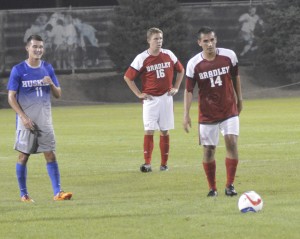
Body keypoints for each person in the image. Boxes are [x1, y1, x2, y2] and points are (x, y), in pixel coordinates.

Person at [7, 35, 72, 202]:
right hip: (26, 121)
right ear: (27, 48)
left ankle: (58, 193)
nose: (38, 50)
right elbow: (11, 97)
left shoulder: (47, 68)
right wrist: (23, 117)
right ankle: (24, 195)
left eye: (41, 47)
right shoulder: (19, 69)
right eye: (35, 46)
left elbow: (58, 94)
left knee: (50, 155)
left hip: (45, 121)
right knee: (23, 156)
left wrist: (50, 83)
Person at [183, 26, 243, 197]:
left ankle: (230, 185)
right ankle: (212, 188)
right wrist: (186, 114)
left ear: (216, 40)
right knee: (209, 150)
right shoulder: (194, 64)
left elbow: (235, 77)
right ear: (199, 43)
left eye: (212, 40)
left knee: (231, 142)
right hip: (207, 114)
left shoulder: (229, 56)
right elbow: (188, 90)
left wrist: (240, 99)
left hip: (228, 108)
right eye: (205, 41)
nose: (209, 44)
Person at [124, 27, 185, 172]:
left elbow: (181, 70)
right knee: (149, 130)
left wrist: (176, 87)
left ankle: (164, 164)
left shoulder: (169, 54)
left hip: (166, 98)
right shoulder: (142, 58)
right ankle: (147, 163)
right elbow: (128, 77)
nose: (159, 41)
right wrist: (139, 94)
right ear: (148, 41)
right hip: (150, 100)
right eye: (156, 39)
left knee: (164, 131)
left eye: (161, 38)